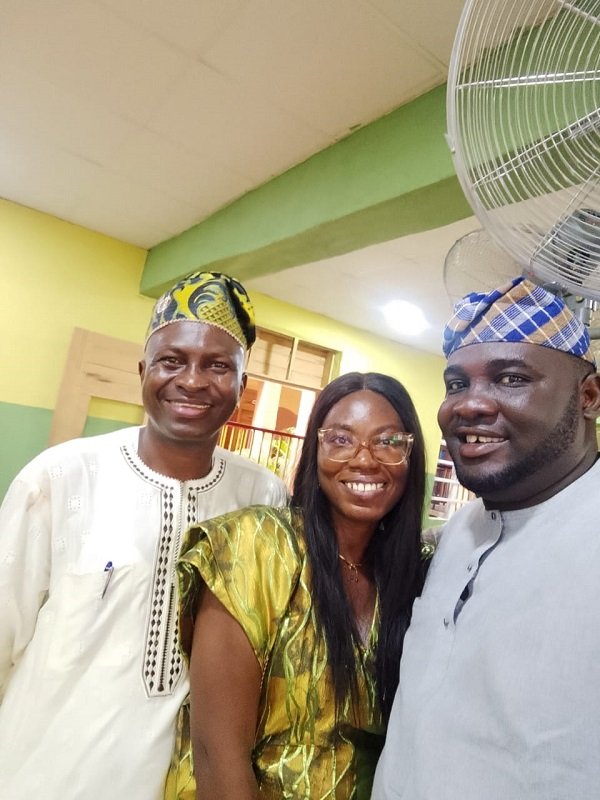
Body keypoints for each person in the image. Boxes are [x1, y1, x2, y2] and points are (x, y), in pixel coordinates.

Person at [0, 271, 288, 800]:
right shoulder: (59, 478)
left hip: (178, 786)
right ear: (143, 370)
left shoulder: (262, 497)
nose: (193, 381)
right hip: (37, 776)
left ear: (242, 386)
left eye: (218, 365)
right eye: (172, 360)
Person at [372, 276, 600, 800]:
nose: (469, 405)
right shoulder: (459, 532)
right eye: (456, 384)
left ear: (588, 396)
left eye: (511, 378)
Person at [169, 371, 428, 799]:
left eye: (388, 442)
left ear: (410, 456)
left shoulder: (417, 574)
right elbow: (217, 753)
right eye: (341, 439)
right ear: (314, 450)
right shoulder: (257, 546)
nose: (365, 460)